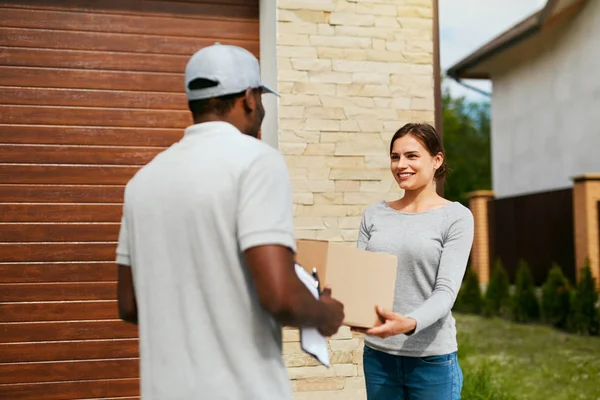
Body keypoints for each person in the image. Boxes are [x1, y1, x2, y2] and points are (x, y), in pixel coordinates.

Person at [115, 44, 344, 400]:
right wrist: (324, 314)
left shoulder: (142, 182)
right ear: (250, 98)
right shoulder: (256, 162)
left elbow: (129, 304)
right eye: (261, 100)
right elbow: (280, 295)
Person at [356, 123, 474, 400]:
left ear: (437, 160)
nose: (401, 165)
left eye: (411, 156)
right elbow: (359, 278)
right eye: (395, 157)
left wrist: (408, 323)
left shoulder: (456, 217)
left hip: (431, 360)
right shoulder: (374, 214)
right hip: (378, 357)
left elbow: (445, 293)